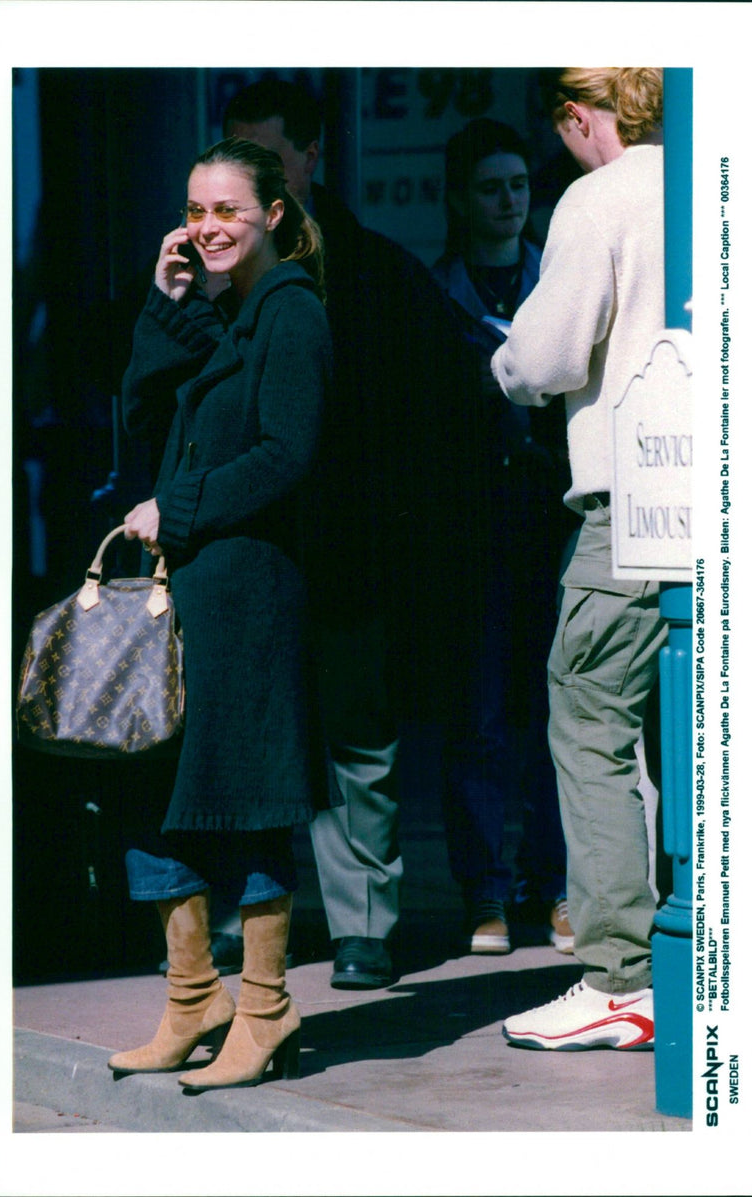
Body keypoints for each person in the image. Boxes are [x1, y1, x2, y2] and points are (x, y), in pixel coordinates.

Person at [223, 79, 484, 989]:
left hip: (344, 544)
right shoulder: (218, 268)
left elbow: (433, 420)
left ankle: (361, 924)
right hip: (249, 544)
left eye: (264, 154)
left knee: (354, 737)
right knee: (254, 732)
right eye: (238, 152)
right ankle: (258, 916)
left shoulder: (372, 270)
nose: (249, 174)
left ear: (309, 155)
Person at [107, 136, 337, 1090]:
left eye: (227, 212)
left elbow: (290, 453)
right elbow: (137, 427)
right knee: (153, 797)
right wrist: (166, 309)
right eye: (195, 212)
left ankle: (266, 1004)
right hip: (186, 596)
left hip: (248, 596)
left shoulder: (291, 315)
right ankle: (189, 993)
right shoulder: (221, 316)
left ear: (273, 214)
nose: (207, 228)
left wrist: (181, 508)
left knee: (246, 803)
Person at [491, 68, 667, 1049]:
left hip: (631, 501)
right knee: (689, 732)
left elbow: (544, 358)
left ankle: (617, 976)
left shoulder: (596, 198)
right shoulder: (709, 181)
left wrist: (500, 358)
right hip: (724, 503)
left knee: (587, 716)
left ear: (575, 115)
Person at [431, 118, 574, 956]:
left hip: (550, 519)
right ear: (458, 197)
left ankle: (554, 886)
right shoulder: (434, 291)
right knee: (479, 718)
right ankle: (485, 892)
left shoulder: (555, 279)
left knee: (557, 711)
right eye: (492, 186)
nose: (511, 200)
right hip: (468, 533)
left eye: (520, 184)